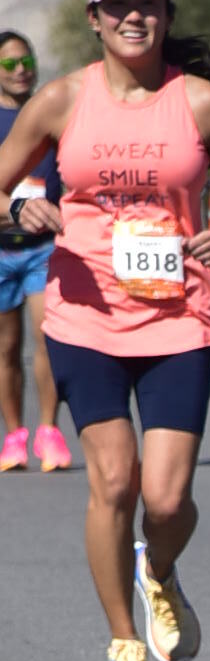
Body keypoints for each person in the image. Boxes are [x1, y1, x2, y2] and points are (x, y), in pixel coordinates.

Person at [0, 0, 210, 661]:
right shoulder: (61, 100)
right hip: (84, 315)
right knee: (114, 481)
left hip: (179, 317)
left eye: (146, 3)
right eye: (117, 5)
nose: (132, 16)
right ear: (94, 20)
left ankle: (161, 566)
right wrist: (21, 205)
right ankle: (123, 644)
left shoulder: (201, 103)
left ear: (166, 16)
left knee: (167, 500)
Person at [0, 28, 70, 471]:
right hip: (1, 250)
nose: (21, 70)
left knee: (48, 338)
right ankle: (14, 435)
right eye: (9, 63)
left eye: (26, 61)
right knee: (7, 348)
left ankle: (48, 430)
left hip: (45, 248)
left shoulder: (51, 115)